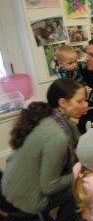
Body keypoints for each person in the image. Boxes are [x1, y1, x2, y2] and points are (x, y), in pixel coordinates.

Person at [0, 78, 88, 220]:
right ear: (63, 103)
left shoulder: (48, 116)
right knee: (82, 185)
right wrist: (82, 173)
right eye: (80, 101)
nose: (86, 105)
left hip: (9, 184)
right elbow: (49, 186)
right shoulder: (58, 136)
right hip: (20, 198)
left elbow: (78, 142)